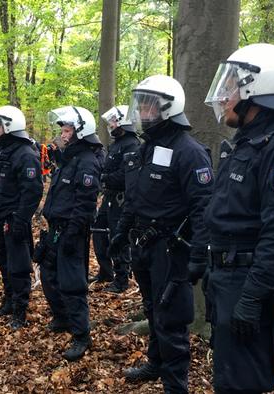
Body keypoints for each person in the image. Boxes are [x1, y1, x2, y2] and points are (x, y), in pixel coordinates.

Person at [202, 43, 274, 393]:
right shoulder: (247, 143)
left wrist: (252, 297)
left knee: (244, 380)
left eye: (232, 86)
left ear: (258, 89)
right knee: (229, 374)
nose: (224, 96)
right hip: (228, 276)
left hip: (250, 281)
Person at [107, 76, 213, 391]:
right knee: (152, 309)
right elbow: (135, 197)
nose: (141, 111)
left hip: (171, 250)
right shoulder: (143, 149)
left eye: (148, 105)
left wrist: (198, 257)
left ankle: (175, 385)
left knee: (171, 319)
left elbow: (203, 209)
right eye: (139, 104)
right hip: (142, 247)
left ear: (168, 108)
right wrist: (121, 232)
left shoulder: (189, 151)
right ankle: (155, 362)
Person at [39, 105, 102, 361]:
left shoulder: (87, 162)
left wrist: (73, 234)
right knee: (48, 274)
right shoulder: (67, 159)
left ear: (80, 132)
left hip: (72, 231)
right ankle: (62, 318)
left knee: (72, 284)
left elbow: (85, 204)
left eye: (67, 130)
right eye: (63, 130)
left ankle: (81, 335)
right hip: (56, 229)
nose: (63, 135)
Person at [0, 105, 44, 329]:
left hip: (14, 219)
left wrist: (20, 220)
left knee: (18, 266)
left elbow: (32, 191)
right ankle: (8, 302)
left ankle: (20, 310)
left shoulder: (25, 154)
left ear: (10, 127)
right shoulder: (1, 152)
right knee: (2, 261)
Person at [90, 104, 140, 293]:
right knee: (99, 233)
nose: (110, 125)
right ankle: (105, 271)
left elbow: (126, 175)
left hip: (120, 199)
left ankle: (122, 279)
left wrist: (104, 177)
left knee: (118, 236)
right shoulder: (116, 143)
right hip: (109, 197)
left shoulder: (132, 144)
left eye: (113, 121)